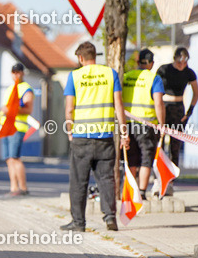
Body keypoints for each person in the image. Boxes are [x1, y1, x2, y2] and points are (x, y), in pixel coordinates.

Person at [61, 41, 129, 232]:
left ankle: (78, 223)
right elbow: (119, 106)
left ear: (81, 58)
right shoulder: (110, 74)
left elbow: (69, 110)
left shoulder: (74, 76)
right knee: (107, 179)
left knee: (78, 181)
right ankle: (109, 218)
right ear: (94, 56)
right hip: (105, 137)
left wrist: (70, 132)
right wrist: (124, 134)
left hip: (81, 137)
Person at [122, 48, 165, 198]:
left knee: (131, 158)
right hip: (147, 125)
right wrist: (161, 124)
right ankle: (141, 192)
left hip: (127, 123)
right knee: (146, 159)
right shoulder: (154, 78)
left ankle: (132, 192)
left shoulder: (126, 77)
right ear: (152, 63)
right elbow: (158, 103)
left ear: (138, 61)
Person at [155, 46, 198, 170]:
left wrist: (189, 112)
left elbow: (196, 93)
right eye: (179, 62)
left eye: (185, 63)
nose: (182, 65)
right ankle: (159, 174)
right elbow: (154, 89)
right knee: (160, 142)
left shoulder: (189, 73)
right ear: (174, 59)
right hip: (164, 107)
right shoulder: (164, 69)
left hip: (179, 109)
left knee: (175, 145)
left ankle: (173, 175)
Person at [0, 62, 35, 196]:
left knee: (15, 158)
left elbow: (28, 109)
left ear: (22, 73)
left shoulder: (26, 89)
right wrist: (0, 117)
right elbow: (5, 108)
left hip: (17, 127)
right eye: (13, 72)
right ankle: (14, 187)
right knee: (9, 159)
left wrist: (12, 110)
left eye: (18, 72)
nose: (16, 75)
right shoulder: (10, 89)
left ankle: (23, 188)